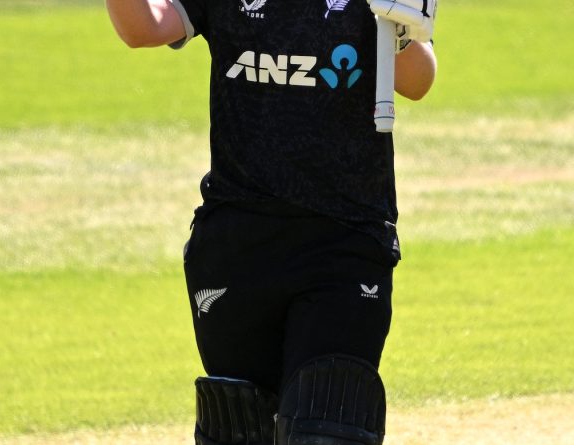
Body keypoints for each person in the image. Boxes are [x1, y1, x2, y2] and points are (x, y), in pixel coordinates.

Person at [106, 0, 437, 443]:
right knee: (241, 431)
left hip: (344, 240)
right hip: (238, 242)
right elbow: (143, 28)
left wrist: (396, 29)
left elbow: (418, 81)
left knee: (329, 427)